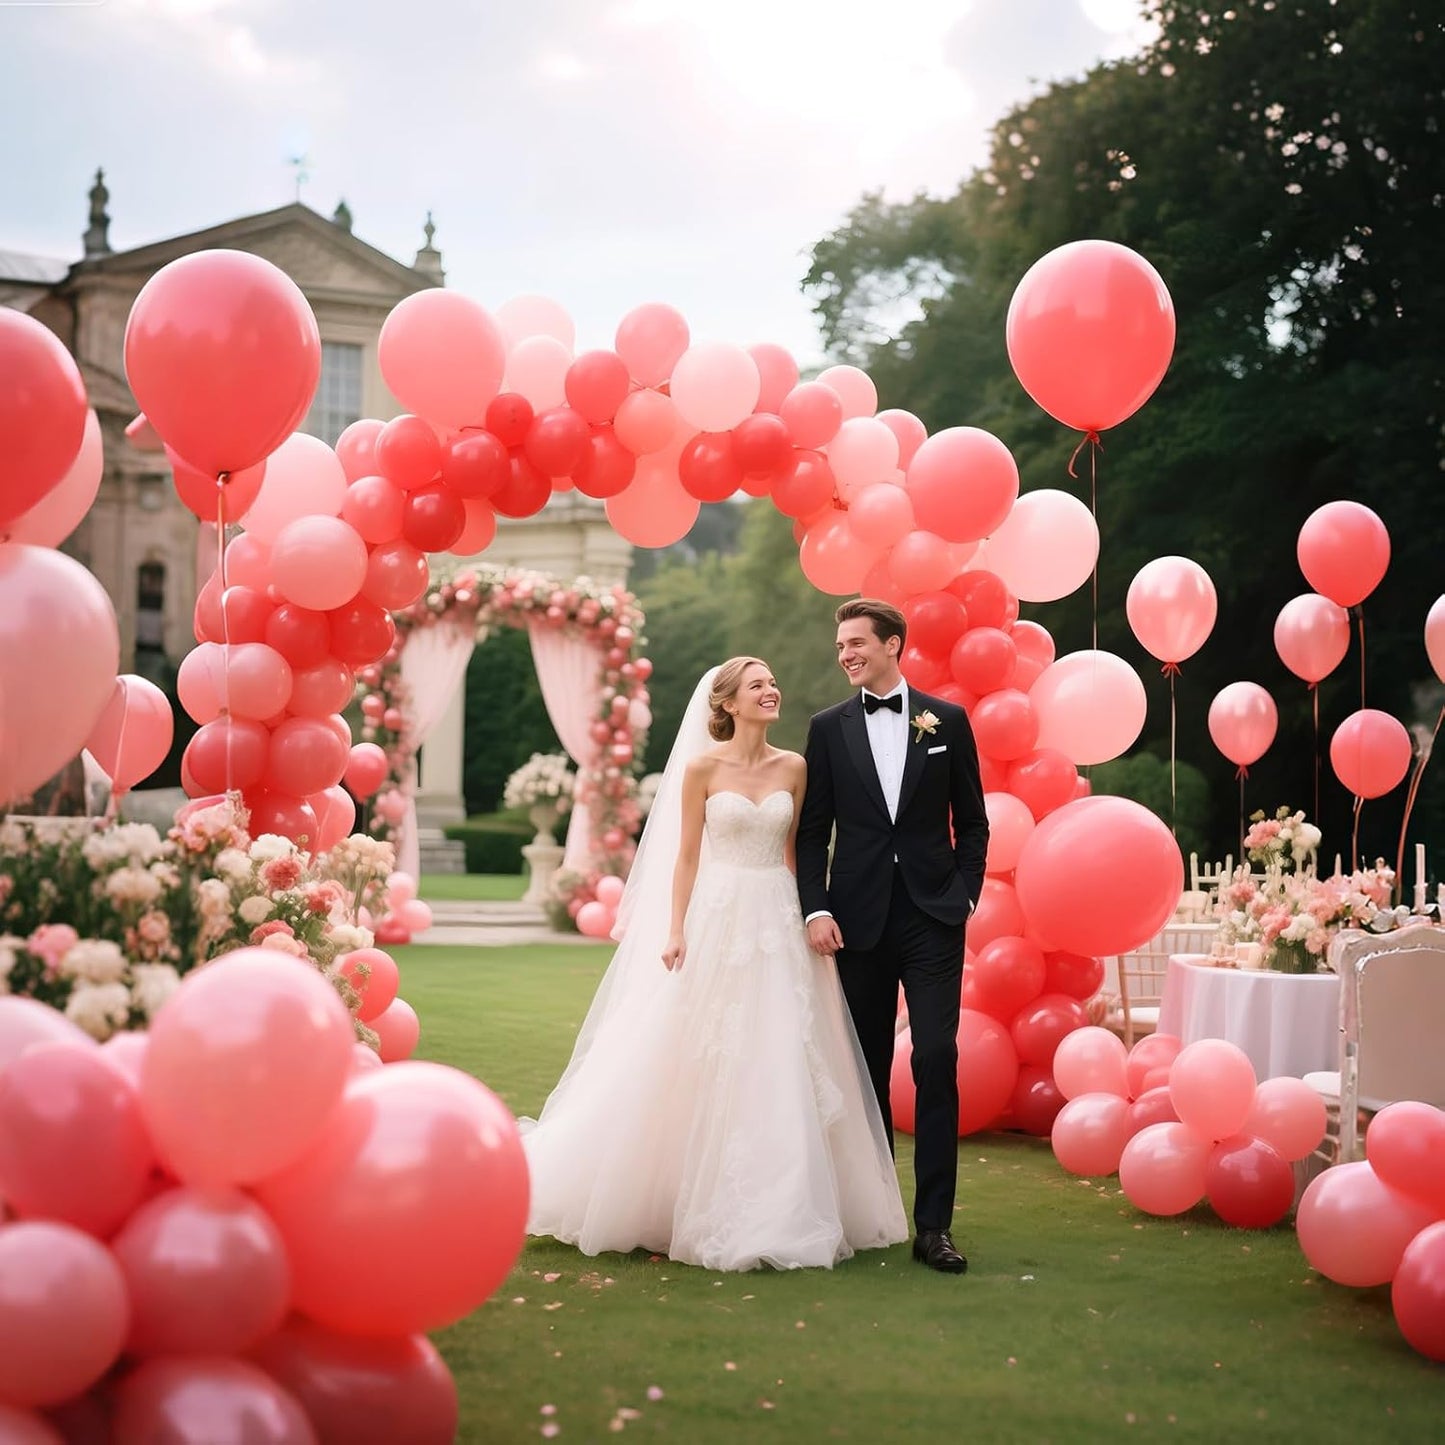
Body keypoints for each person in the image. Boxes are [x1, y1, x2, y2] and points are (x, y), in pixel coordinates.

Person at [522, 658, 907, 1272]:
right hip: (719, 914)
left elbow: (797, 852)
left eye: (772, 681)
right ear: (728, 703)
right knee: (702, 1046)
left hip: (777, 916)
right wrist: (676, 929)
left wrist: (813, 915)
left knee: (783, 1046)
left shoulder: (795, 766)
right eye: (757, 685)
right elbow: (685, 858)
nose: (771, 690)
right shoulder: (702, 768)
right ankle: (672, 1191)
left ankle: (783, 1200)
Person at [797, 598, 988, 1274]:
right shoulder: (826, 729)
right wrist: (814, 908)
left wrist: (965, 893)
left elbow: (973, 819)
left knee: (935, 1055)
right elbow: (812, 830)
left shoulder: (947, 721)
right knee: (864, 1069)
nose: (845, 652)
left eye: (855, 642)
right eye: (840, 644)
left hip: (934, 917)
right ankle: (872, 1212)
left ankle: (932, 1225)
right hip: (856, 923)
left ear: (892, 644)